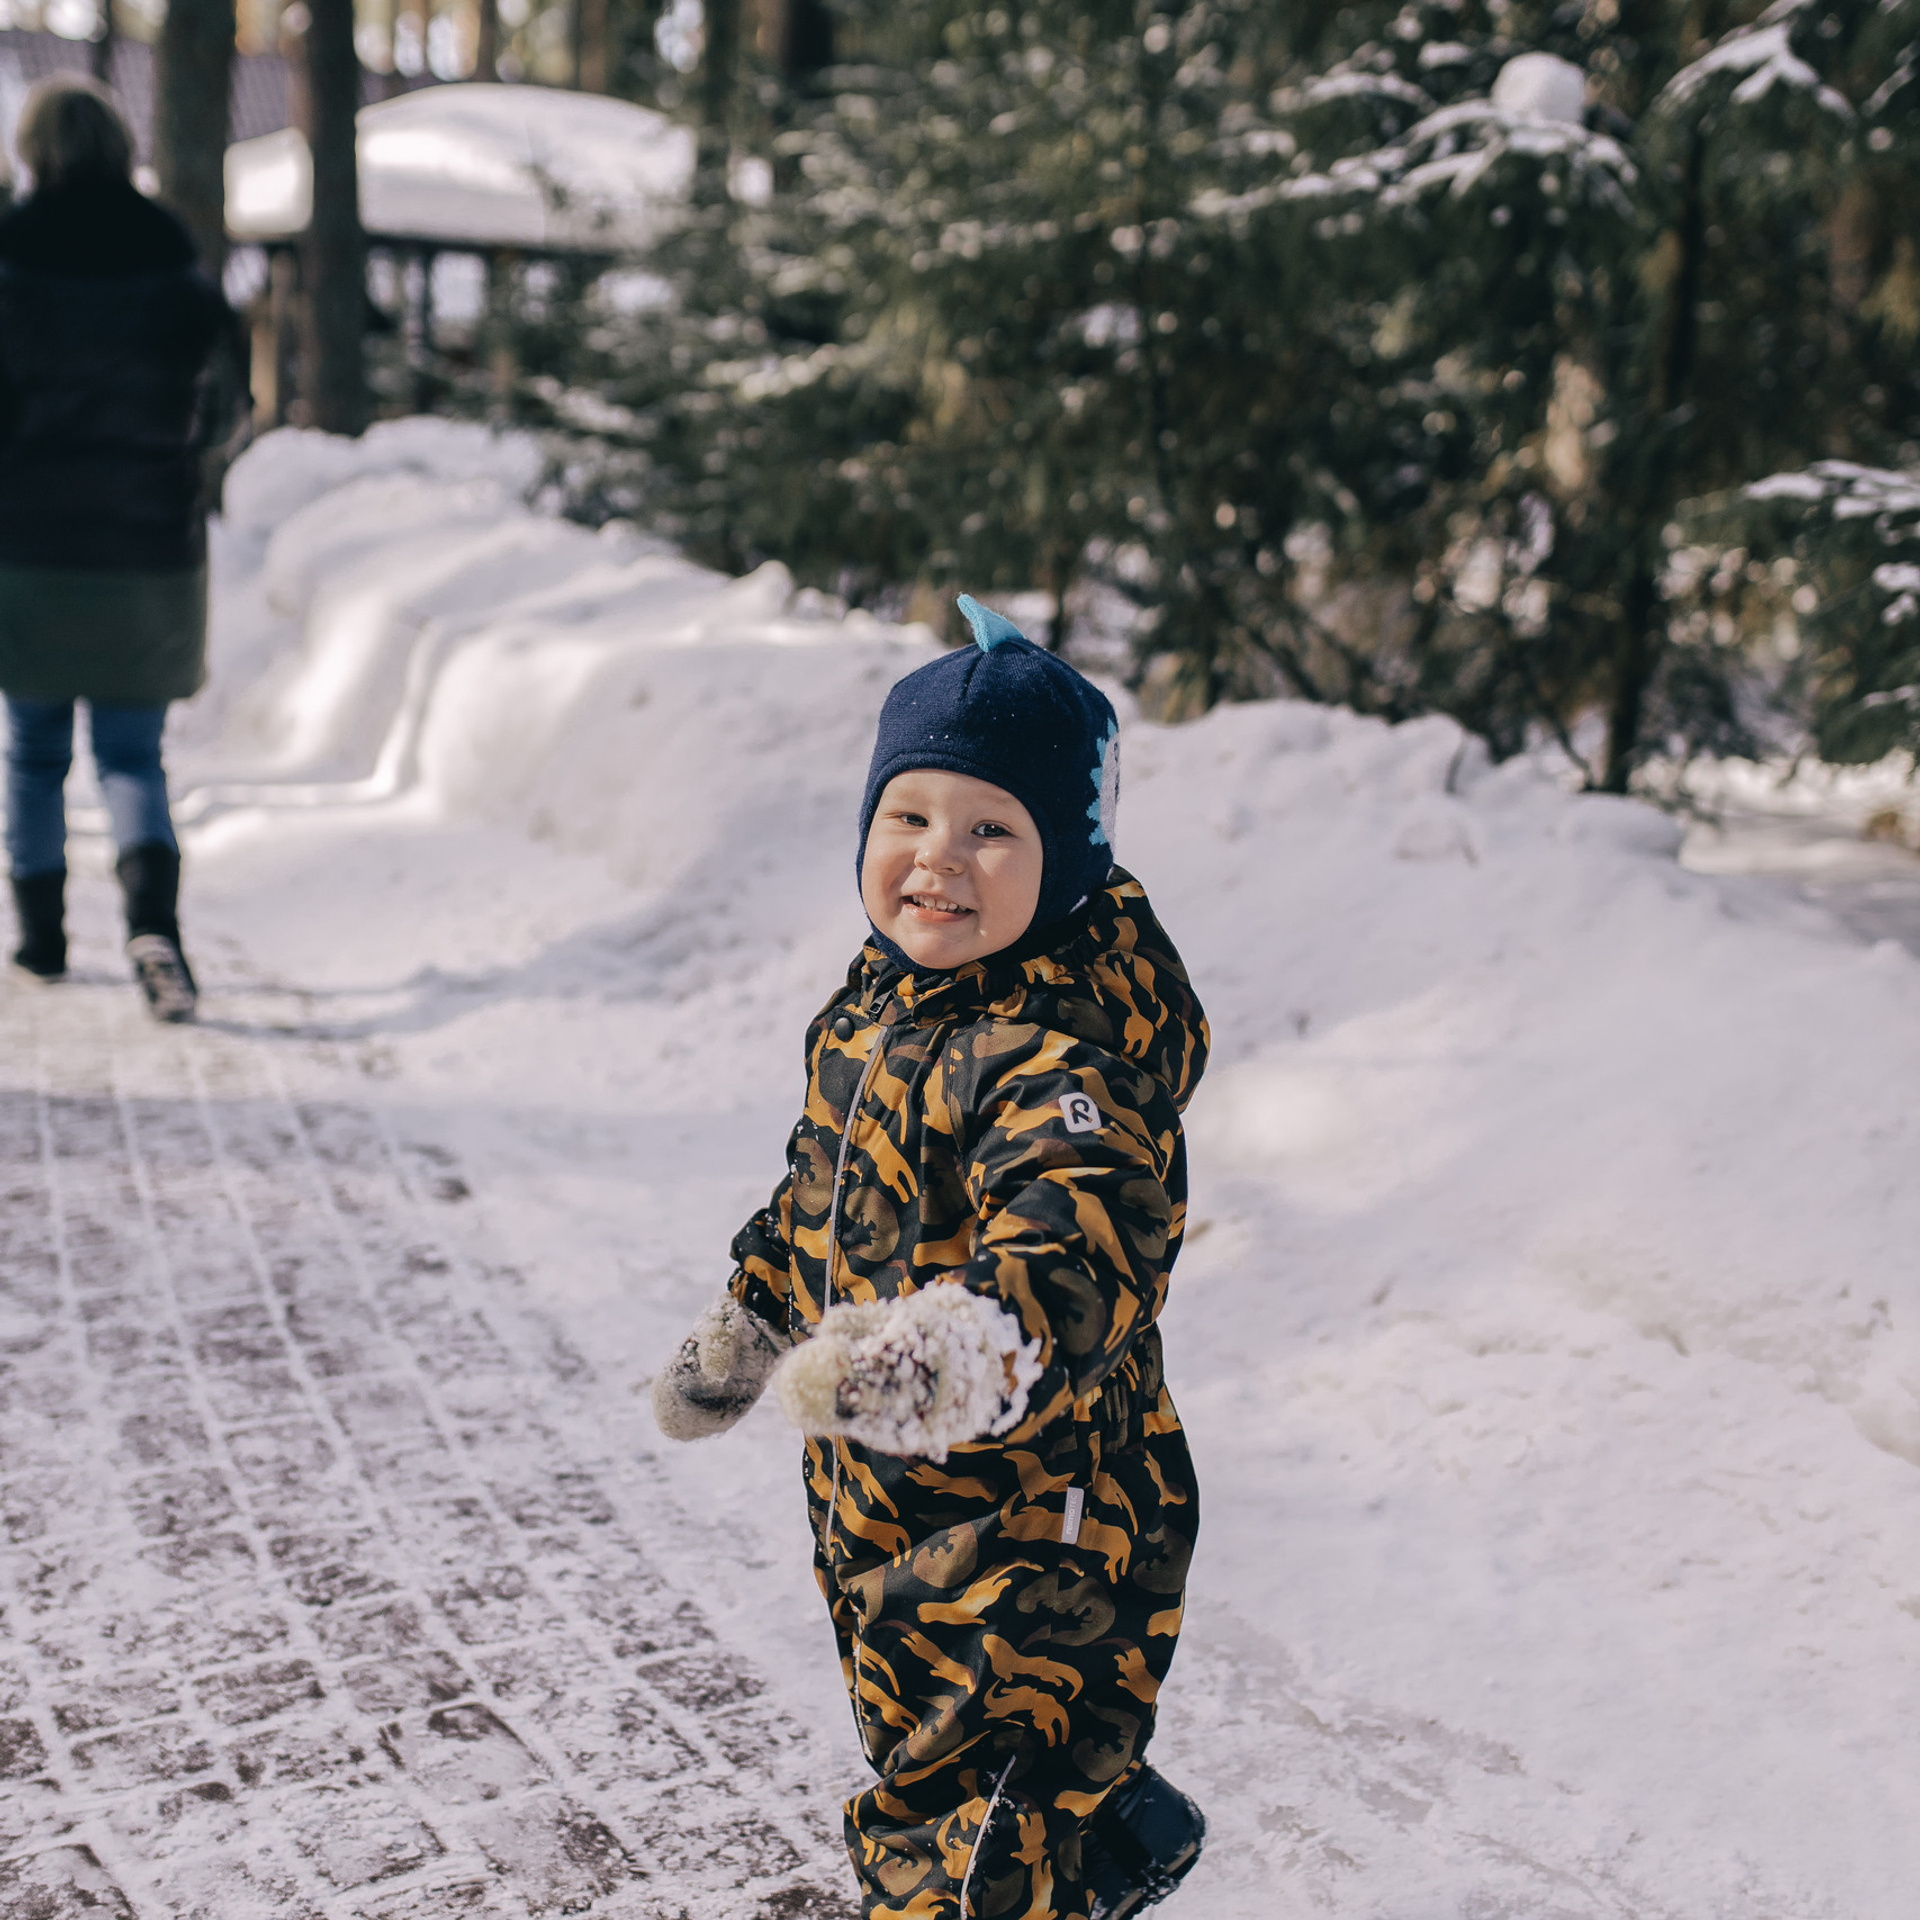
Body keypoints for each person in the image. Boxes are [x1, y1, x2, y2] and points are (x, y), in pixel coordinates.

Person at [652, 596, 1210, 1920]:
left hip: (1037, 1518)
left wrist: (950, 1357)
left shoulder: (1062, 1058)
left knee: (955, 1828)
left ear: (1066, 862)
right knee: (931, 1754)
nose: (937, 860)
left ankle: (1053, 1838)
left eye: (991, 831)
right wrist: (752, 1325)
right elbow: (820, 1198)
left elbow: (1076, 1244)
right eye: (909, 817)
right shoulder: (877, 1009)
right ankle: (1105, 1822)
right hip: (888, 1504)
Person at [0, 75, 248, 1020]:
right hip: (148, 547)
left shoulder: (10, 264)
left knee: (31, 756)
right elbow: (227, 410)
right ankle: (156, 931)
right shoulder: (176, 267)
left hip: (28, 547)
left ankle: (42, 941)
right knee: (134, 758)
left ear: (35, 152)